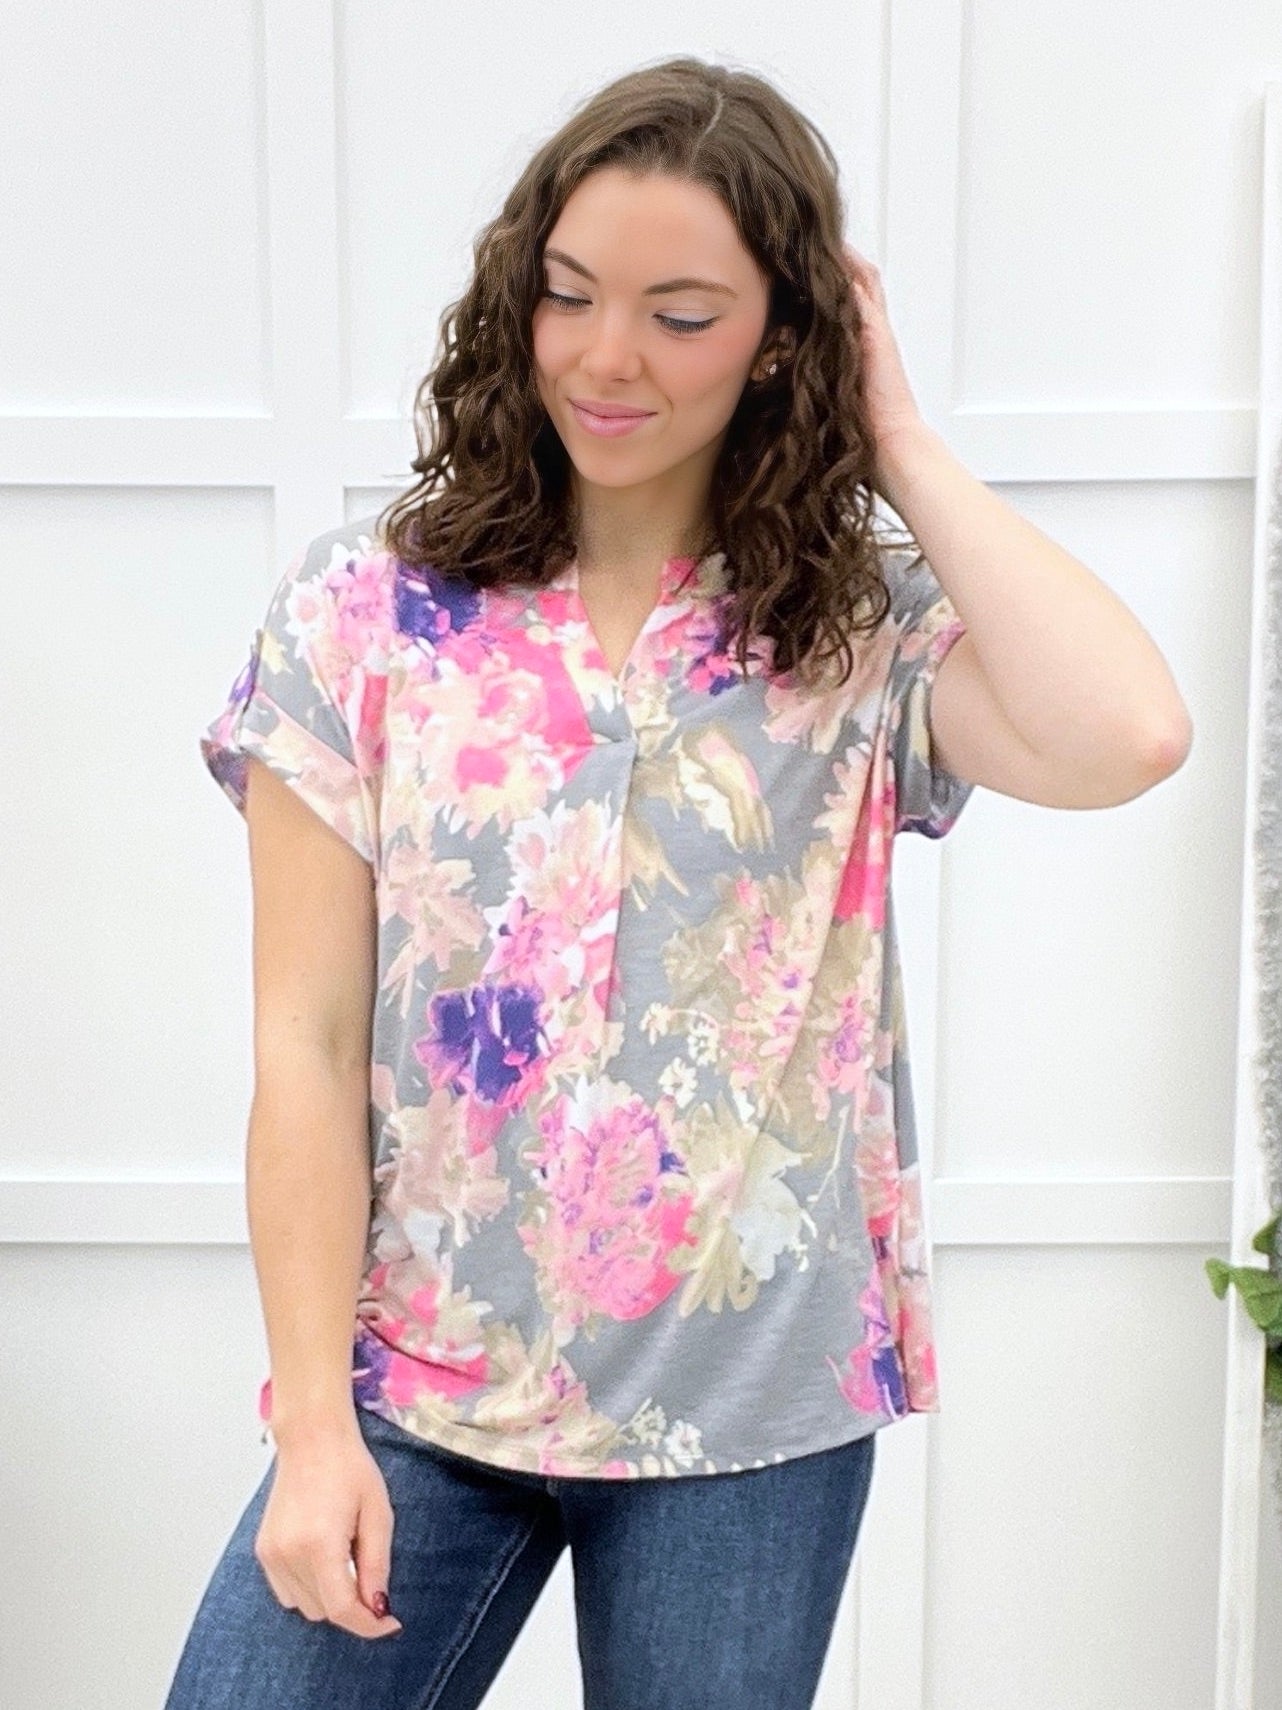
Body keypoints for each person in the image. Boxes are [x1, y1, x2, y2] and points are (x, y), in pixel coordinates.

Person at [163, 54, 1192, 1710]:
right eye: (568, 294)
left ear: (785, 336)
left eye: (682, 313)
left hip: (747, 1414)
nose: (604, 357)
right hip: (419, 1384)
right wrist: (309, 1425)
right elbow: (304, 1038)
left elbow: (1127, 732)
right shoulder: (367, 612)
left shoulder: (854, 631)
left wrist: (899, 438)